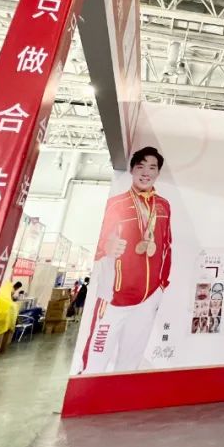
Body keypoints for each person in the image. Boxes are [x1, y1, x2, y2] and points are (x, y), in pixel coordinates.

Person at [79, 146, 172, 374]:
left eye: (152, 168)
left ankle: (120, 392)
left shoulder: (163, 206)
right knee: (96, 361)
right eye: (141, 166)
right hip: (114, 297)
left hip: (148, 297)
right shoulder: (116, 204)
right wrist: (107, 247)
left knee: (130, 361)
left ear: (158, 173)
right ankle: (89, 391)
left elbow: (167, 245)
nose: (146, 172)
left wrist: (162, 285)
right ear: (132, 170)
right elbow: (98, 242)